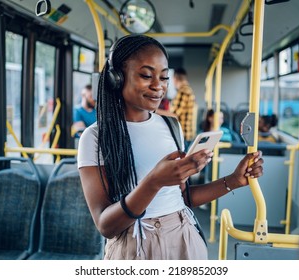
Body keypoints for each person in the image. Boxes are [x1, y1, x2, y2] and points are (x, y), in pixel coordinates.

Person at [77, 34, 264, 260]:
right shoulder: (95, 137)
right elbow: (106, 226)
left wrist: (233, 180)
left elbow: (182, 198)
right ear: (117, 78)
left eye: (165, 77)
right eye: (146, 75)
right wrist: (154, 182)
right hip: (134, 243)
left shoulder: (171, 125)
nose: (158, 86)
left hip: (183, 235)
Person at [170, 67, 196, 149]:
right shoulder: (189, 90)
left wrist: (155, 111)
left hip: (183, 135)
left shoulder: (183, 91)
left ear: (175, 78)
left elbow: (173, 114)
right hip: (188, 135)